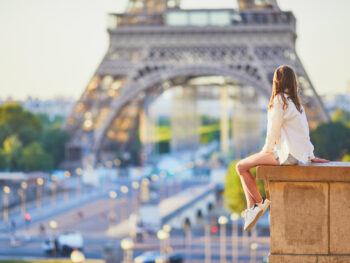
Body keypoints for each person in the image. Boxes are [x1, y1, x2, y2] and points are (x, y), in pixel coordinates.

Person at [235, 65, 329, 231]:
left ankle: (257, 203)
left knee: (240, 166)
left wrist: (265, 150)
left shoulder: (279, 99)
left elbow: (273, 130)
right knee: (243, 166)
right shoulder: (295, 103)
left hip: (286, 155)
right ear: (293, 81)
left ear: (276, 81)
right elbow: (304, 132)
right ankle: (252, 208)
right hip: (297, 155)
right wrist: (310, 155)